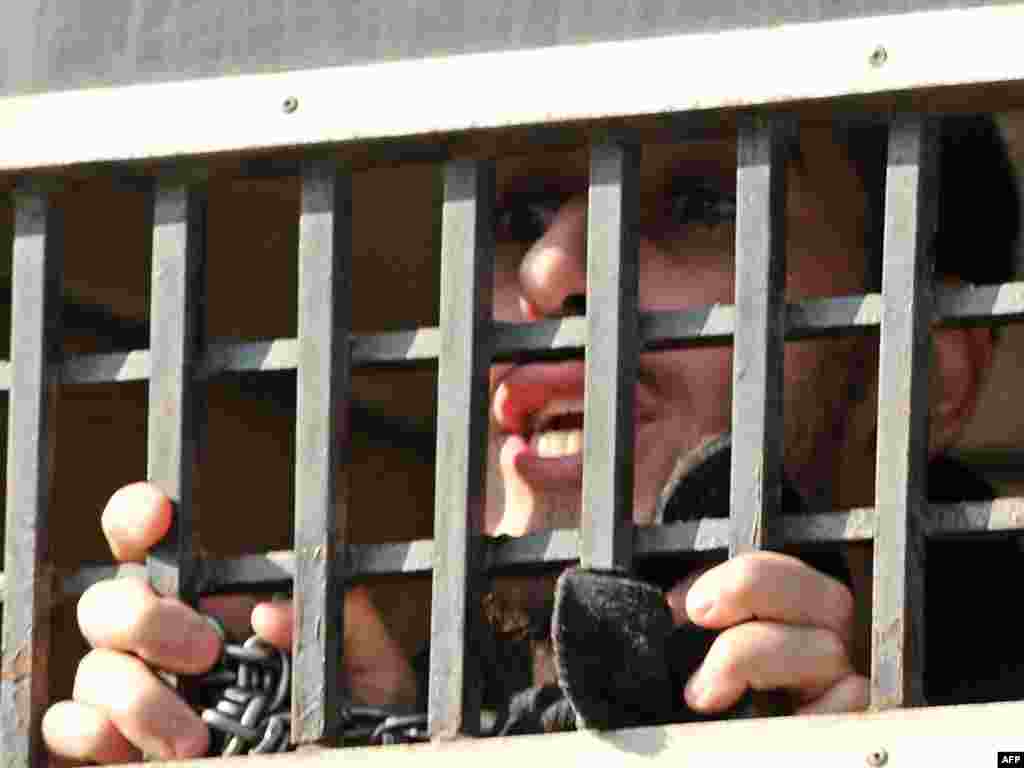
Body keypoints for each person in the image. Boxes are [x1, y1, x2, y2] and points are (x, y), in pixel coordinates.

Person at [41, 115, 1020, 762]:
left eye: (698, 204)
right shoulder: (362, 695)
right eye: (513, 215)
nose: (550, 270)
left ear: (928, 374)